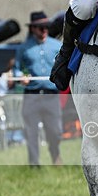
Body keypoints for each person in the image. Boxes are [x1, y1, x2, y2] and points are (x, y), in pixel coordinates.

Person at [14, 11, 63, 167]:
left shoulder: (57, 46)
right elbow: (16, 68)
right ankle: (34, 164)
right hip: (32, 96)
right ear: (33, 28)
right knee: (31, 132)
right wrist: (20, 75)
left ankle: (55, 155)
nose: (44, 30)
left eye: (46, 27)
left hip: (51, 95)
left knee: (55, 130)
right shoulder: (24, 48)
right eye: (40, 27)